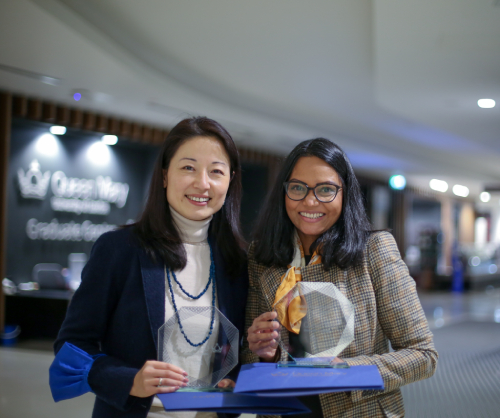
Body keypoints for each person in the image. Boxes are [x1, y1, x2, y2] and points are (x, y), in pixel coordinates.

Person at [51, 117, 248, 418]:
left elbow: (237, 354)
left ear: (230, 181)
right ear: (165, 174)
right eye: (188, 167)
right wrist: (129, 380)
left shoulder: (237, 262)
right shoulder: (119, 249)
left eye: (216, 172)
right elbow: (72, 346)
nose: (203, 183)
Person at [243, 138, 437, 417]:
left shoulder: (374, 251)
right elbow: (251, 357)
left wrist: (348, 373)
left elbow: (423, 356)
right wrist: (265, 352)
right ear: (283, 192)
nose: (310, 201)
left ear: (345, 194)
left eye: (326, 190)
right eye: (298, 188)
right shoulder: (262, 257)